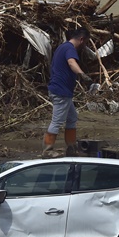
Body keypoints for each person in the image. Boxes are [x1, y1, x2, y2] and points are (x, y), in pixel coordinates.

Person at [43, 28, 92, 157]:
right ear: (81, 39)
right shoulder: (70, 49)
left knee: (72, 118)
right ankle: (47, 150)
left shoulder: (62, 47)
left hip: (62, 90)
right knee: (57, 121)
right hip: (61, 90)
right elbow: (71, 62)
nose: (85, 45)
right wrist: (82, 74)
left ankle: (71, 148)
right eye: (86, 42)